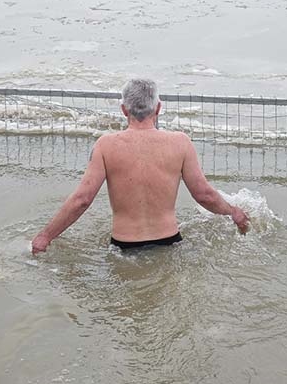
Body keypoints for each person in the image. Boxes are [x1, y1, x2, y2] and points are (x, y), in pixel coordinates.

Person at [31, 78, 250, 253]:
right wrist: (233, 212)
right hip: (170, 243)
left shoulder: (106, 145)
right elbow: (204, 195)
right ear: (158, 108)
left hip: (123, 247)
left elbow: (82, 200)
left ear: (124, 110)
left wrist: (45, 236)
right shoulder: (180, 142)